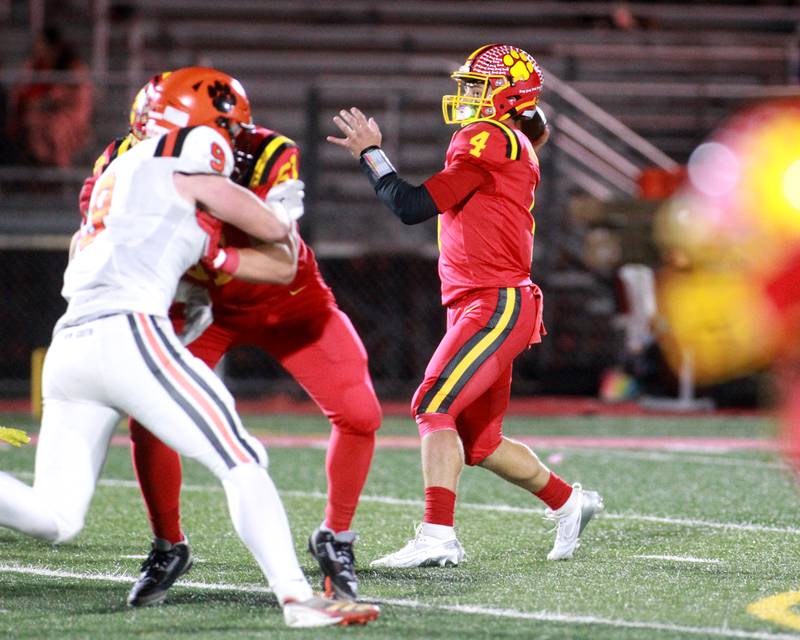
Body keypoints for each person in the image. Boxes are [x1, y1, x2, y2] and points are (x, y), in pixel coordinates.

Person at [0, 66, 378, 628]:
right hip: (130, 332)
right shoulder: (192, 154)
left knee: (58, 518)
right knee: (242, 458)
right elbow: (273, 231)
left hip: (70, 345)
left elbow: (84, 254)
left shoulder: (121, 168)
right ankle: (298, 601)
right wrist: (216, 240)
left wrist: (195, 248)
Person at [328, 44, 603, 568]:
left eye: (478, 86)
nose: (466, 97)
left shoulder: (490, 137)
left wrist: (371, 153)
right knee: (479, 442)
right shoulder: (502, 140)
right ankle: (569, 502)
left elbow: (410, 206)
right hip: (489, 301)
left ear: (509, 95)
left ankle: (437, 536)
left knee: (432, 403)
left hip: (494, 302)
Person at [9, 27, 93, 167]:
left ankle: (59, 169)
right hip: (39, 116)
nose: (38, 50)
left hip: (69, 117)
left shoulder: (73, 68)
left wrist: (48, 100)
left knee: (57, 129)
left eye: (42, 46)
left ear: (53, 47)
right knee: (31, 122)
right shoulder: (34, 66)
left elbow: (76, 99)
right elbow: (22, 92)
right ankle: (40, 168)